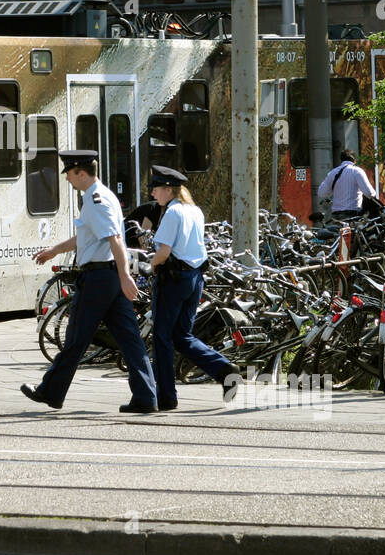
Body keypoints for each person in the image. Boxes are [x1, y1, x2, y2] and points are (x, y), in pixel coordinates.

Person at [22, 150, 159, 413]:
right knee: (130, 339)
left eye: (70, 175)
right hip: (108, 276)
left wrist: (125, 277)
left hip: (98, 279)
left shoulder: (95, 201)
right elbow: (87, 237)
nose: (68, 180)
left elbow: (115, 240)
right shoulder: (102, 195)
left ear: (81, 173)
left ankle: (50, 391)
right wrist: (55, 250)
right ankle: (146, 396)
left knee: (76, 338)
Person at [146, 166, 241, 408]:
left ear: (169, 189)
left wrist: (150, 266)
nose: (153, 194)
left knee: (162, 338)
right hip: (195, 279)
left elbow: (164, 252)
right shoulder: (195, 211)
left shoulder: (172, 213)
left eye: (155, 189)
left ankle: (166, 396)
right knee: (182, 336)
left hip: (173, 281)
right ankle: (224, 369)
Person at [316, 149, 377, 220]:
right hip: (352, 215)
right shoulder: (357, 171)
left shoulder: (332, 173)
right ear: (354, 160)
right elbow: (370, 193)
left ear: (341, 160)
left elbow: (321, 193)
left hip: (335, 215)